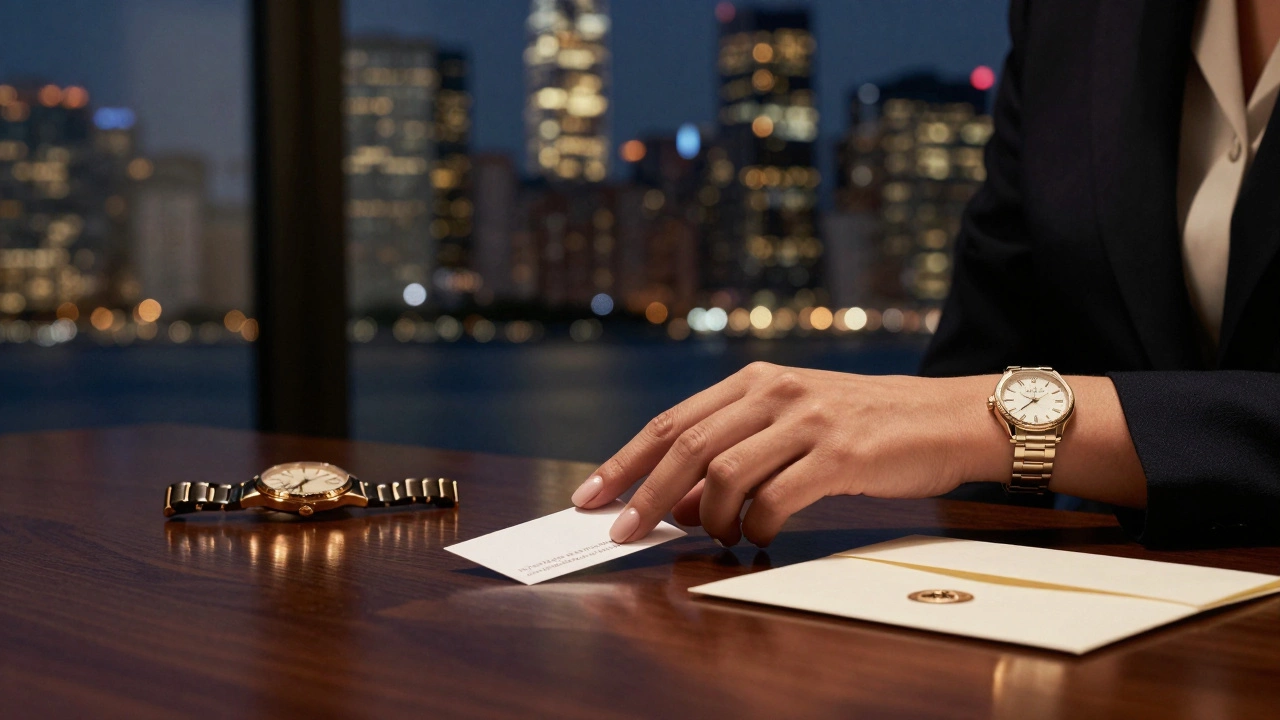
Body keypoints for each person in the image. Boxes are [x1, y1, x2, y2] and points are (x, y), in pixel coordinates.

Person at [571, 0, 1280, 549]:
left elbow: (959, 413)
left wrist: (1000, 425)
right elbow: (989, 335)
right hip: (1112, 626)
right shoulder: (1077, 12)